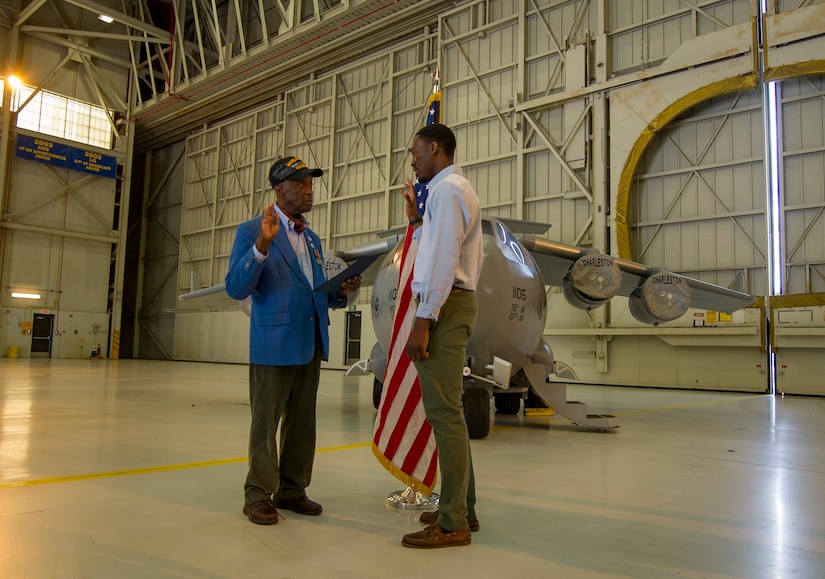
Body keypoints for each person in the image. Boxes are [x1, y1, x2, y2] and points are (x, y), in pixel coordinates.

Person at [225, 156, 361, 525]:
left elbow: (317, 292)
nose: (308, 189)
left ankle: (292, 490)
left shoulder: (312, 239)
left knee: (302, 423)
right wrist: (261, 248)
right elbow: (236, 288)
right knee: (265, 424)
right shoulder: (252, 229)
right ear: (279, 189)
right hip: (274, 343)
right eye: (300, 183)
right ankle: (257, 494)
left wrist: (343, 292)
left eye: (310, 183)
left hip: (310, 342)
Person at [399, 124, 483, 548]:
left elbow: (444, 260)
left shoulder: (449, 191)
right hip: (449, 303)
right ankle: (461, 506)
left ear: (435, 148)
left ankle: (453, 523)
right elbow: (436, 249)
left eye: (415, 152)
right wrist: (416, 219)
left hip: (445, 306)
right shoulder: (447, 192)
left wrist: (423, 319)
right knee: (451, 413)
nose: (412, 160)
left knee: (445, 415)